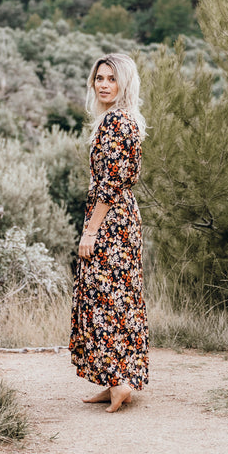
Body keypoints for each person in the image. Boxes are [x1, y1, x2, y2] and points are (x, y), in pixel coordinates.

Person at [70, 53, 149, 413]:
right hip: (119, 215)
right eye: (99, 78)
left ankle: (119, 383)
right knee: (115, 294)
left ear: (124, 84)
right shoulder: (120, 120)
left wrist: (90, 232)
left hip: (111, 218)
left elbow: (111, 184)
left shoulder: (117, 122)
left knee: (108, 296)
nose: (103, 84)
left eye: (111, 79)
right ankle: (114, 379)